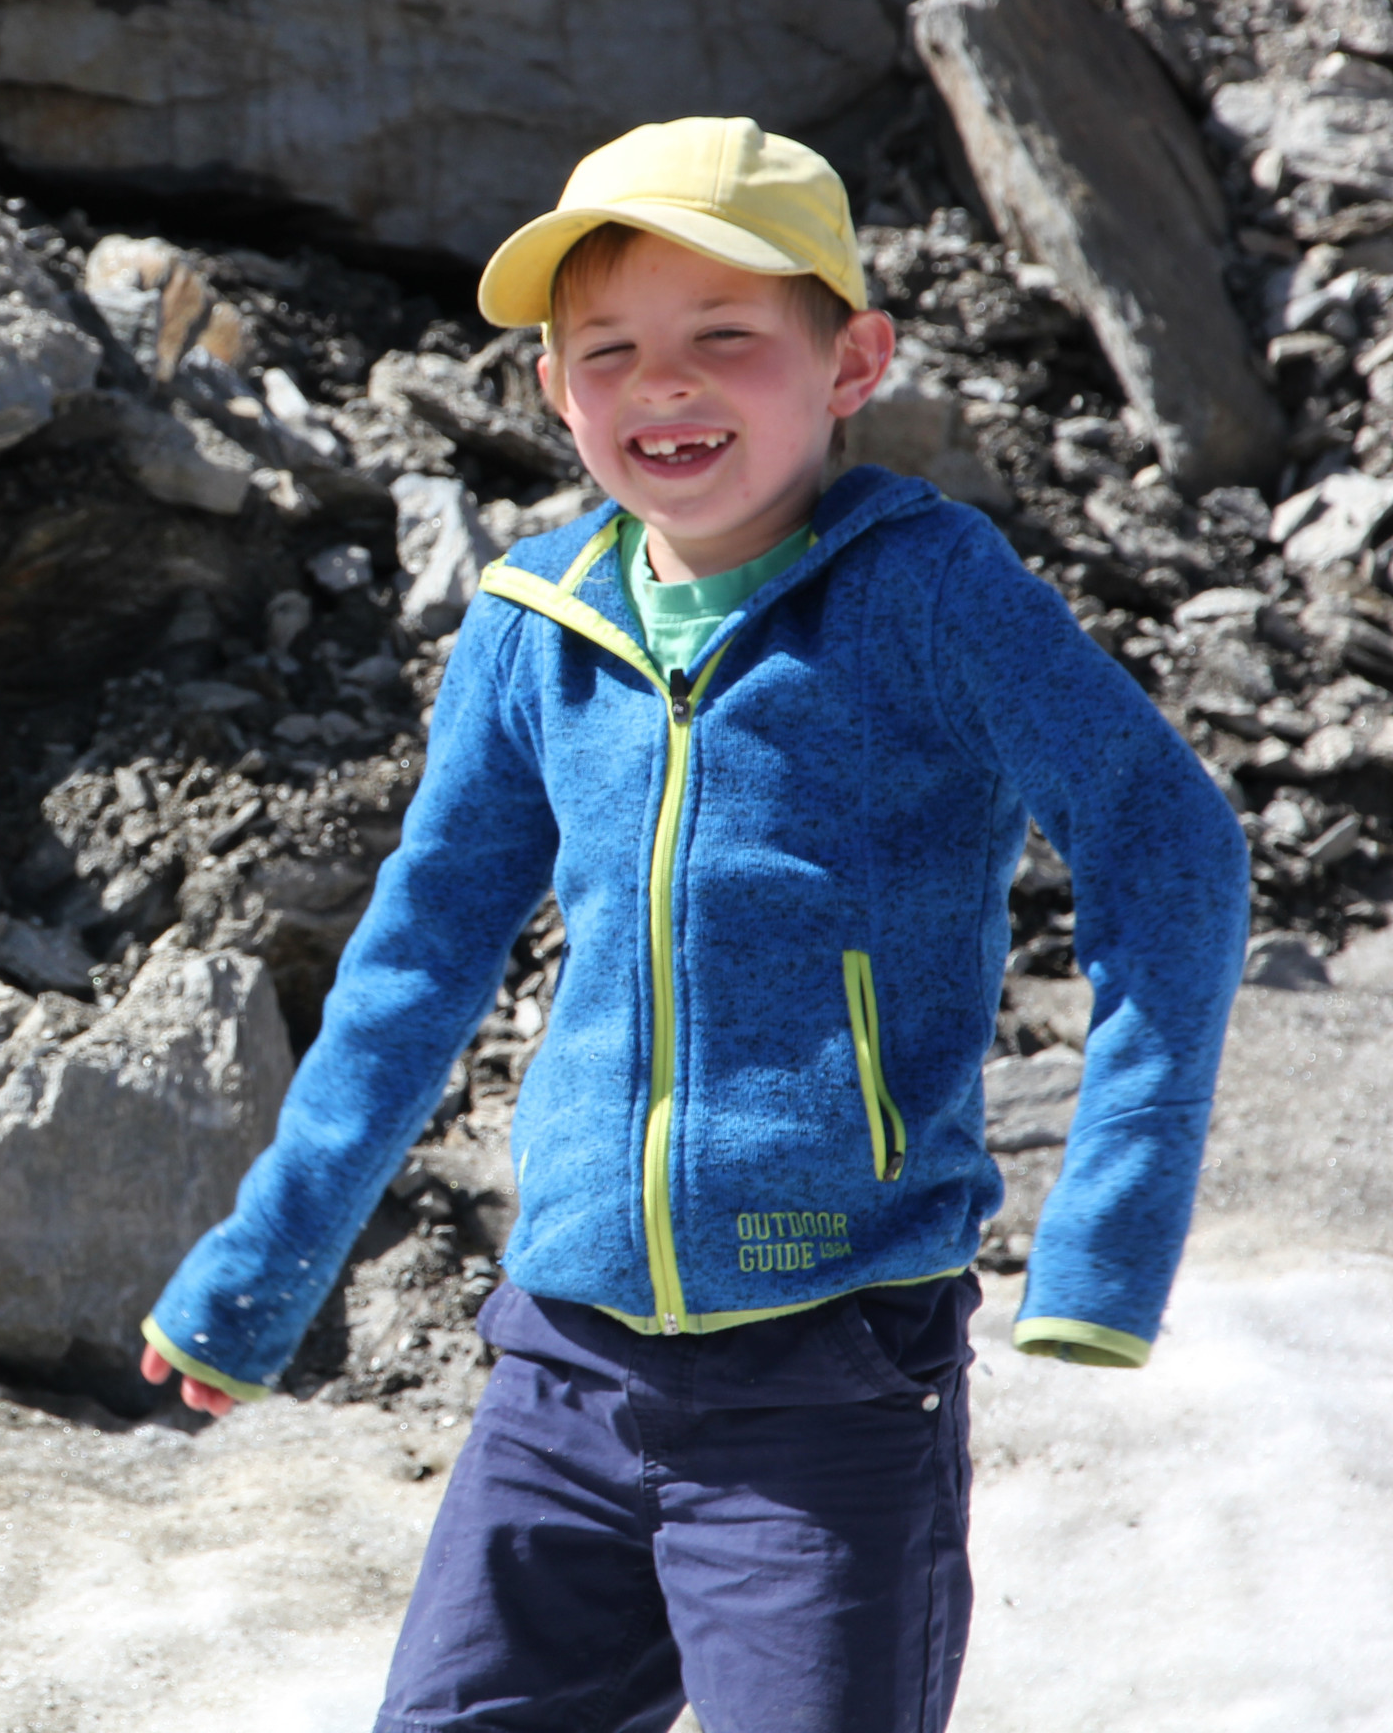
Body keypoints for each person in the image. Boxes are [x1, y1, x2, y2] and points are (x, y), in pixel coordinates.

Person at [138, 119, 1251, 1731]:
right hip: (560, 1369)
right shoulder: (534, 626)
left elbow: (1169, 841)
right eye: (610, 351)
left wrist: (1108, 1235)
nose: (663, 385)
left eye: (725, 336)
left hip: (829, 1385)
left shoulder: (932, 594)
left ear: (852, 361)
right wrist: (261, 1266)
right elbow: (415, 963)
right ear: (552, 390)